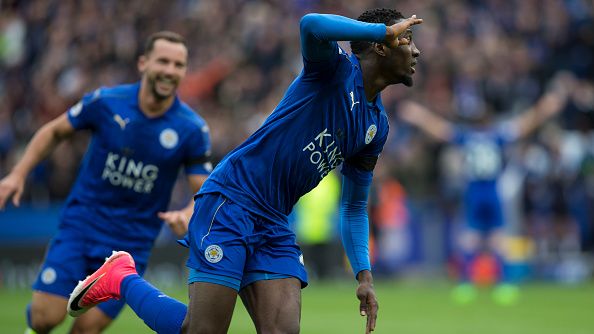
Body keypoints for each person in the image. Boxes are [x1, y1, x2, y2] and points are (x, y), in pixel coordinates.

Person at [67, 9, 423, 334]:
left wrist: (364, 275)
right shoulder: (334, 71)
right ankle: (121, 277)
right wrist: (381, 30)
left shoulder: (376, 125)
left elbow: (354, 206)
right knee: (203, 331)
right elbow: (310, 24)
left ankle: (121, 278)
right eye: (408, 42)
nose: (416, 53)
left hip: (274, 221)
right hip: (232, 200)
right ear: (381, 47)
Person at [0, 31, 212, 333]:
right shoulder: (107, 102)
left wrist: (186, 214)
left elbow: (203, 191)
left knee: (86, 330)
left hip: (131, 244)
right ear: (143, 63)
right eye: (163, 61)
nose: (170, 70)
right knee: (46, 317)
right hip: (81, 226)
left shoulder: (191, 128)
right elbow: (54, 131)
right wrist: (18, 173)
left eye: (178, 65)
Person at [399, 76, 569, 304]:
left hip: (477, 191)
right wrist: (545, 108)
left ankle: (469, 284)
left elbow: (440, 129)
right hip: (489, 191)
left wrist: (418, 115)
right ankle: (502, 285)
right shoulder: (498, 134)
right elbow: (525, 124)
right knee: (496, 239)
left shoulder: (467, 136)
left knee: (473, 239)